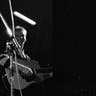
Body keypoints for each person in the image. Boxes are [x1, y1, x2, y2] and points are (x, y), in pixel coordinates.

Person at [0, 25, 53, 96]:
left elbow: (35, 77)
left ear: (26, 39)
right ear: (12, 39)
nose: (20, 38)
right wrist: (24, 69)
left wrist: (49, 74)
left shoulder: (27, 58)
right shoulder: (7, 53)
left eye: (22, 35)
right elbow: (3, 60)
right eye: (17, 35)